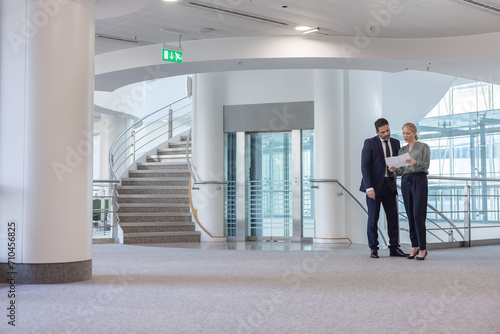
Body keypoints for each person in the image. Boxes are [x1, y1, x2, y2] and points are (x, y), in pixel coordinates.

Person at [360, 118, 408, 258]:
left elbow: (398, 162)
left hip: (389, 185)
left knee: (393, 218)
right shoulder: (370, 143)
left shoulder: (395, 142)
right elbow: (365, 166)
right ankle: (374, 248)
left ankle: (394, 247)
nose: (387, 133)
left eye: (388, 130)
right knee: (373, 218)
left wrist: (396, 167)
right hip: (374, 187)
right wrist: (369, 187)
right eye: (383, 132)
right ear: (377, 132)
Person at [390, 122, 430, 260]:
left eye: (408, 133)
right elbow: (401, 170)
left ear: (414, 132)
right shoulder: (402, 150)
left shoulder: (423, 147)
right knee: (410, 214)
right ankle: (415, 245)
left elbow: (426, 165)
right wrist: (395, 169)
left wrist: (415, 162)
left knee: (418, 214)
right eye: (403, 133)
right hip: (406, 181)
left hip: (419, 180)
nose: (405, 136)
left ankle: (423, 247)